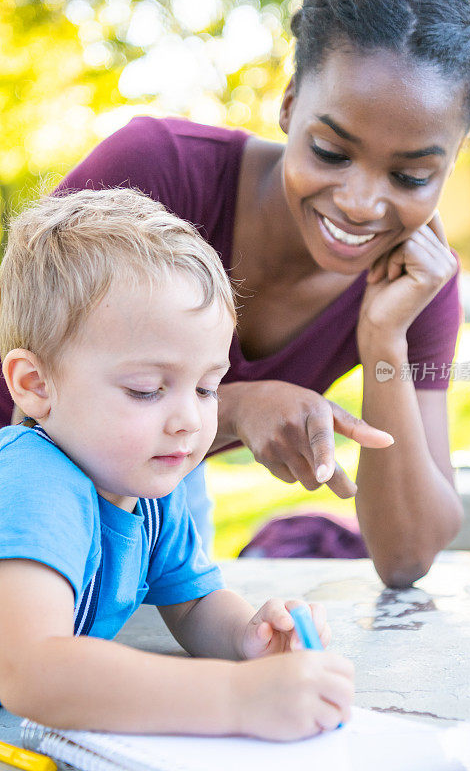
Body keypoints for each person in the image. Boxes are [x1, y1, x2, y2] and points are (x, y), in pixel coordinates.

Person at [0, 0, 470, 587]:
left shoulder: (418, 283)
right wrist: (231, 410)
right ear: (289, 104)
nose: (362, 202)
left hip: (157, 501)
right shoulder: (156, 174)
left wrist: (384, 343)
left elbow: (405, 557)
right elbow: (16, 408)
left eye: (412, 177)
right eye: (332, 152)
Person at [0, 188, 354, 739]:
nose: (189, 419)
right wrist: (238, 700)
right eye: (146, 390)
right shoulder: (32, 482)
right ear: (36, 385)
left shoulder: (147, 492)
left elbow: (192, 604)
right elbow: (30, 674)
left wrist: (248, 637)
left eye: (208, 387)